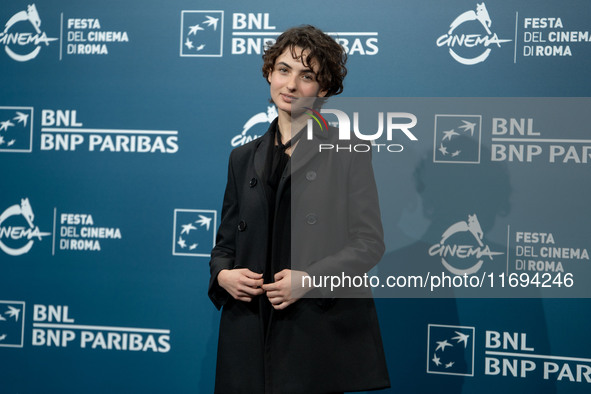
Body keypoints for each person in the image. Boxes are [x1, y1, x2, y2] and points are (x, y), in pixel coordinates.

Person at [208, 25, 390, 394]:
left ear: (323, 88)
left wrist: (309, 280)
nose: (291, 85)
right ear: (270, 75)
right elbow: (224, 246)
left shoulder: (347, 150)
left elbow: (368, 243)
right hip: (248, 331)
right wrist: (223, 276)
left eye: (306, 75)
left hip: (312, 332)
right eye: (283, 70)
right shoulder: (242, 157)